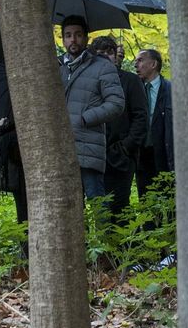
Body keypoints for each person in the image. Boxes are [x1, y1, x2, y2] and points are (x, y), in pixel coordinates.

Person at [59, 16, 125, 200]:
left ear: (86, 38)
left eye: (78, 35)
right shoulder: (55, 67)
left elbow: (116, 103)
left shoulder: (102, 66)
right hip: (60, 149)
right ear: (62, 39)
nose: (73, 40)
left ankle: (104, 231)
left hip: (89, 145)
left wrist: (85, 118)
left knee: (97, 203)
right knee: (68, 206)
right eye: (68, 35)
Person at [89, 35, 148, 218]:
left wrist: (126, 147)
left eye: (109, 53)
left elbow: (141, 117)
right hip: (93, 155)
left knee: (119, 207)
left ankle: (124, 246)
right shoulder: (88, 81)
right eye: (100, 54)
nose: (106, 57)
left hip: (121, 156)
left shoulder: (130, 81)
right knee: (99, 208)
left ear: (116, 56)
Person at [133, 48, 175, 202]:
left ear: (153, 64)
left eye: (140, 60)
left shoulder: (171, 90)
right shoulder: (136, 89)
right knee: (146, 201)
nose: (136, 64)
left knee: (169, 200)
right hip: (142, 154)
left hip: (165, 153)